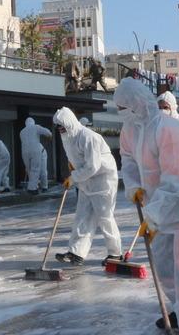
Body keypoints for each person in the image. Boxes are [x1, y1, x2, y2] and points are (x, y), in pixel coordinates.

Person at [115, 78, 179, 334]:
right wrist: (134, 186)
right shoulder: (130, 129)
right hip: (156, 204)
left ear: (136, 104)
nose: (120, 112)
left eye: (123, 107)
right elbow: (127, 158)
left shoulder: (169, 129)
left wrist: (154, 214)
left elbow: (174, 178)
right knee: (164, 262)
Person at [52, 107, 123, 267]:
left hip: (103, 179)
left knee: (105, 216)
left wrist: (73, 178)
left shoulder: (89, 137)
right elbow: (76, 159)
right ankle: (76, 252)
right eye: (58, 126)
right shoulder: (67, 137)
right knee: (82, 216)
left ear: (69, 122)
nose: (60, 129)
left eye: (62, 125)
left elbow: (93, 166)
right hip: (86, 181)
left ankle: (115, 253)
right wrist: (73, 169)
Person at [20, 117, 52, 194]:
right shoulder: (36, 127)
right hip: (36, 150)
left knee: (29, 169)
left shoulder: (22, 132)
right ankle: (33, 188)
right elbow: (47, 132)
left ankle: (38, 186)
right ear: (33, 122)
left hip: (24, 152)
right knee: (36, 169)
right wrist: (50, 134)